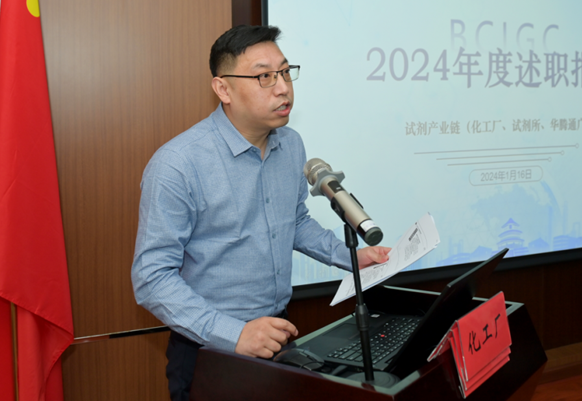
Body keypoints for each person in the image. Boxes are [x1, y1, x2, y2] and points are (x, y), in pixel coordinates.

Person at [131, 24, 390, 401]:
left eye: (285, 72)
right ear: (223, 89)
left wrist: (349, 257)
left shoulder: (291, 145)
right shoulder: (178, 165)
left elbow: (295, 221)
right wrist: (234, 334)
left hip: (277, 335)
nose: (283, 87)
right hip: (209, 350)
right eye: (264, 76)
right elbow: (152, 278)